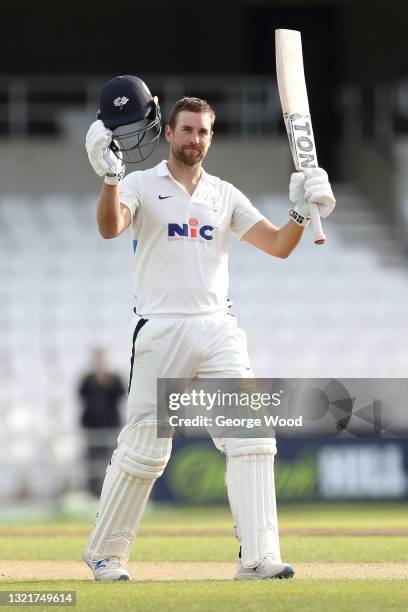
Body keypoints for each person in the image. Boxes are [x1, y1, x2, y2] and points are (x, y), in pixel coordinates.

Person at [83, 75, 335, 581]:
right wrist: (110, 178)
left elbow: (279, 245)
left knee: (253, 439)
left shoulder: (224, 195)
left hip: (218, 327)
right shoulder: (139, 184)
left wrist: (302, 212)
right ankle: (105, 556)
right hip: (162, 328)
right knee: (145, 450)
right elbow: (110, 227)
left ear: (210, 139)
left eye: (204, 132)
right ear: (170, 133)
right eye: (188, 130)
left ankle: (258, 557)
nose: (195, 139)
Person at [78, 347, 125, 496]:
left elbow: (121, 394)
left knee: (111, 461)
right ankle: (92, 493)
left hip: (111, 427)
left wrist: (107, 382)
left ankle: (110, 492)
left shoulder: (114, 378)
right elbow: (82, 395)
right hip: (92, 427)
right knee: (91, 462)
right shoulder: (87, 379)